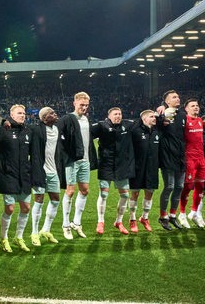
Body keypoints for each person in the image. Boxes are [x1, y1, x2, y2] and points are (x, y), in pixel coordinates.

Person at [0, 104, 34, 253]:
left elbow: (33, 152)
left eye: (24, 113)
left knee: (26, 207)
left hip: (24, 176)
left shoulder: (28, 132)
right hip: (8, 175)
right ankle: (4, 238)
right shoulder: (4, 131)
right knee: (10, 209)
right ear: (11, 114)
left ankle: (19, 237)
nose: (22, 115)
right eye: (19, 113)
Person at [57, 92, 99, 240]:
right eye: (82, 105)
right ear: (74, 103)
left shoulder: (86, 119)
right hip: (72, 161)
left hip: (85, 161)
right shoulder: (67, 118)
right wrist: (66, 154)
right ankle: (65, 225)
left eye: (86, 105)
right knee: (70, 191)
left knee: (85, 190)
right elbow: (56, 135)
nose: (84, 107)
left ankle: (77, 222)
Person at [92, 107, 135, 235]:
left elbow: (144, 122)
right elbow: (86, 132)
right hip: (106, 164)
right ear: (109, 116)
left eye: (120, 114)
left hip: (122, 166)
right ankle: (100, 221)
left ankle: (119, 221)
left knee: (125, 195)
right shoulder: (101, 126)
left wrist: (157, 114)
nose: (118, 116)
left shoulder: (127, 125)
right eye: (115, 114)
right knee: (104, 194)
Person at [28, 106, 64, 246]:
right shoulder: (35, 130)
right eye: (51, 113)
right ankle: (34, 232)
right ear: (44, 118)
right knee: (39, 199)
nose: (55, 114)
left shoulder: (56, 129)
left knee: (55, 199)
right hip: (39, 170)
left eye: (54, 112)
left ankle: (46, 230)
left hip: (54, 170)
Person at [156, 90, 187, 231]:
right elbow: (153, 122)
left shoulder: (182, 115)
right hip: (167, 155)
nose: (177, 98)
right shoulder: (162, 114)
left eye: (178, 96)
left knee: (179, 187)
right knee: (169, 186)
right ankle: (163, 217)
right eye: (174, 97)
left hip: (181, 156)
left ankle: (173, 215)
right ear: (167, 101)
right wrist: (159, 114)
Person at [127, 110, 160, 233]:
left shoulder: (157, 132)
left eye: (154, 116)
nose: (154, 118)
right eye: (151, 117)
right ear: (144, 119)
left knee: (149, 194)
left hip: (152, 168)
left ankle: (145, 218)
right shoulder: (136, 131)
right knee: (134, 194)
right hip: (137, 168)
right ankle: (132, 219)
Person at [179, 99, 205, 229]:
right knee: (187, 186)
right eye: (192, 106)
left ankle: (194, 212)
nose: (196, 107)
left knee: (200, 186)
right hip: (189, 158)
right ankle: (182, 214)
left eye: (197, 105)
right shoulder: (184, 120)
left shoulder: (201, 120)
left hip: (201, 158)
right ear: (186, 109)